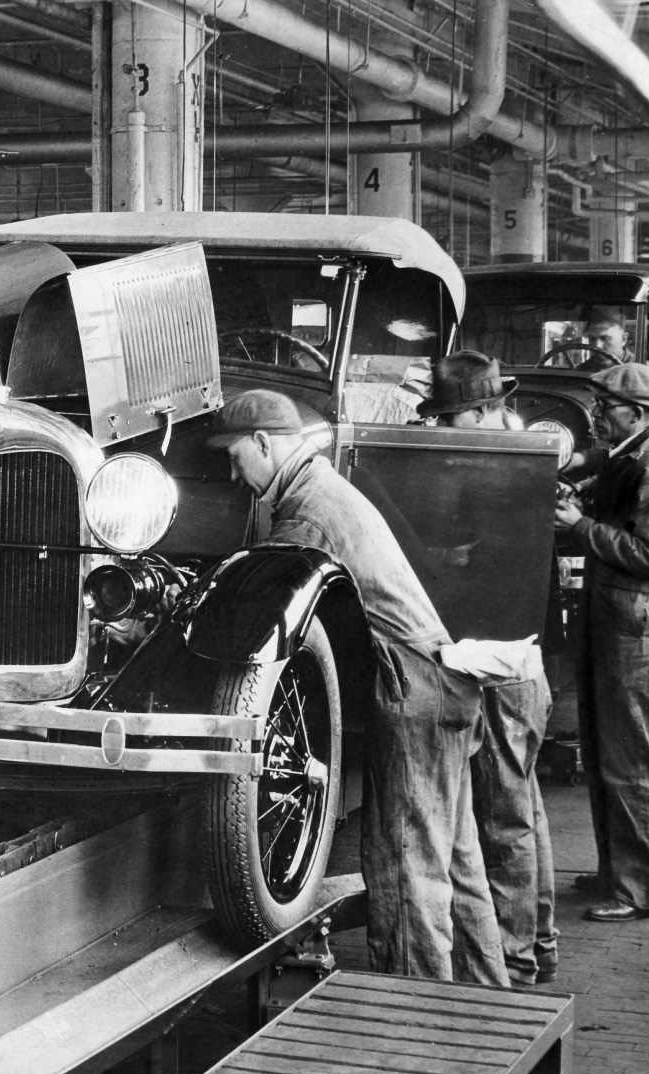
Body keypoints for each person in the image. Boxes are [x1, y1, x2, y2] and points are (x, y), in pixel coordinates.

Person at [206, 388, 508, 985]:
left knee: (406, 868)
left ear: (263, 443)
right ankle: (490, 997)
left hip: (414, 689)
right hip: (446, 681)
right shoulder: (323, 486)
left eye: (235, 457)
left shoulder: (307, 516)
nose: (234, 475)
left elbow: (255, 621)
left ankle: (413, 1012)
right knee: (456, 862)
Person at [419, 352, 558, 986]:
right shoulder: (519, 454)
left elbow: (491, 564)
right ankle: (539, 942)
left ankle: (517, 960)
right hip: (517, 661)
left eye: (448, 418)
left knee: (504, 820)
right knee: (523, 808)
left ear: (479, 411)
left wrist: (447, 557)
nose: (440, 430)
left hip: (503, 666)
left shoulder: (508, 466)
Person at [555, 363, 649, 922]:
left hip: (638, 634)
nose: (595, 415)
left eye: (604, 406)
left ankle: (641, 889)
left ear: (635, 413)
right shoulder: (627, 459)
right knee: (608, 756)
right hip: (615, 627)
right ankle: (618, 872)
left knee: (633, 763)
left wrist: (579, 527)